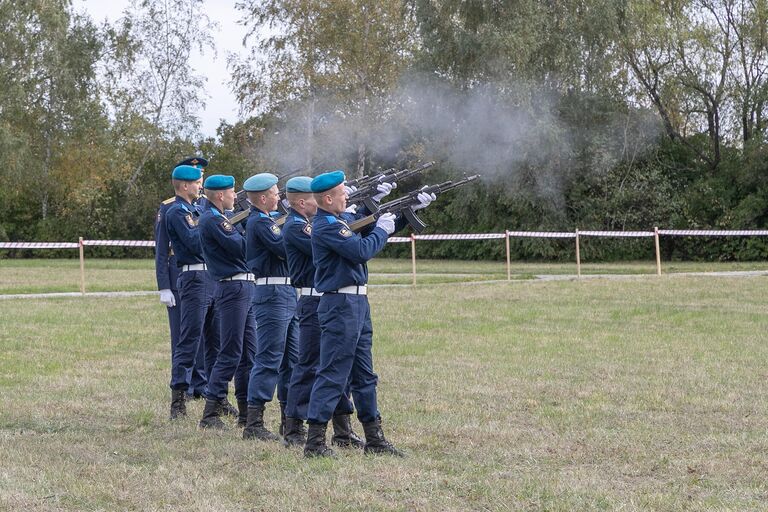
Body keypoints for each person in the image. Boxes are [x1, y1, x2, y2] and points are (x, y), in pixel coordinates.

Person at [302, 170, 434, 458]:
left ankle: (374, 439)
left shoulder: (340, 221)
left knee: (364, 374)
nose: (347, 195)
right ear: (327, 198)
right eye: (341, 192)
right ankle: (314, 443)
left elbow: (368, 226)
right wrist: (383, 228)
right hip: (339, 306)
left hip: (357, 304)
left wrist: (405, 212)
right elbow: (362, 249)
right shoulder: (324, 225)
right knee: (332, 373)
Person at [241, 173, 299, 441]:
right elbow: (284, 248)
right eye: (276, 193)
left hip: (285, 291)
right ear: (263, 198)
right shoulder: (260, 222)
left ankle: (289, 421)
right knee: (268, 359)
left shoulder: (268, 220)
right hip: (272, 292)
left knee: (292, 360)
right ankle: (254, 423)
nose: (280, 197)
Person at [197, 174, 256, 429]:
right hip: (232, 287)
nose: (235, 196)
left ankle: (246, 412)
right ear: (220, 195)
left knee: (248, 353)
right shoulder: (213, 220)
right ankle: (210, 413)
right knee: (231, 351)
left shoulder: (220, 218)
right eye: (232, 192)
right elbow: (241, 248)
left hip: (242, 286)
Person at [164, 164, 221, 419]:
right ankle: (178, 399)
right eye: (198, 182)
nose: (201, 186)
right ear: (185, 185)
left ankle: (215, 395)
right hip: (194, 276)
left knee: (215, 341)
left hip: (211, 275)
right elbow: (194, 241)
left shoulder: (198, 209)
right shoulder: (176, 211)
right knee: (189, 339)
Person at [155, 156, 210, 400]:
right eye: (196, 177)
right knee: (182, 334)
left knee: (204, 336)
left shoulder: (204, 205)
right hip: (179, 274)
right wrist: (163, 286)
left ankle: (200, 382)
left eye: (201, 176)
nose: (201, 181)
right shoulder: (169, 207)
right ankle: (183, 386)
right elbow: (161, 249)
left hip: (204, 274)